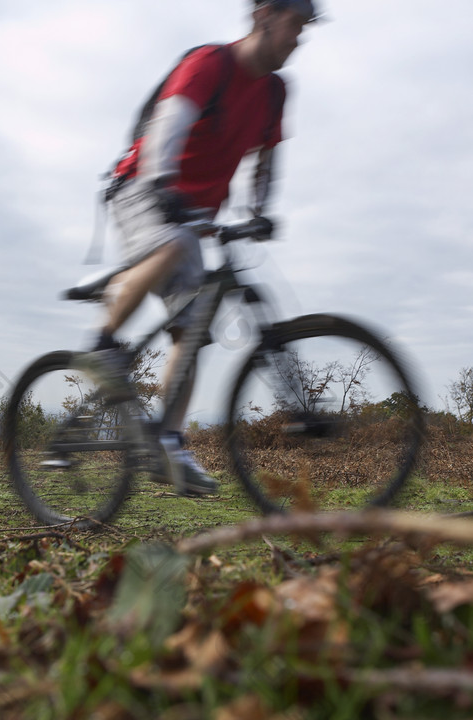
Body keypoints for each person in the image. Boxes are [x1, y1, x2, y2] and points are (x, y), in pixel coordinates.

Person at [89, 0, 319, 496]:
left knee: (192, 335)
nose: (298, 39)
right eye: (294, 25)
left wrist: (258, 211)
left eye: (305, 30)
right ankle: (103, 344)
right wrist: (165, 186)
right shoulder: (209, 65)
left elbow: (265, 162)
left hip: (194, 215)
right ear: (264, 15)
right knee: (170, 244)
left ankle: (167, 443)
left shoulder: (275, 92)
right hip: (141, 186)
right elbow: (165, 132)